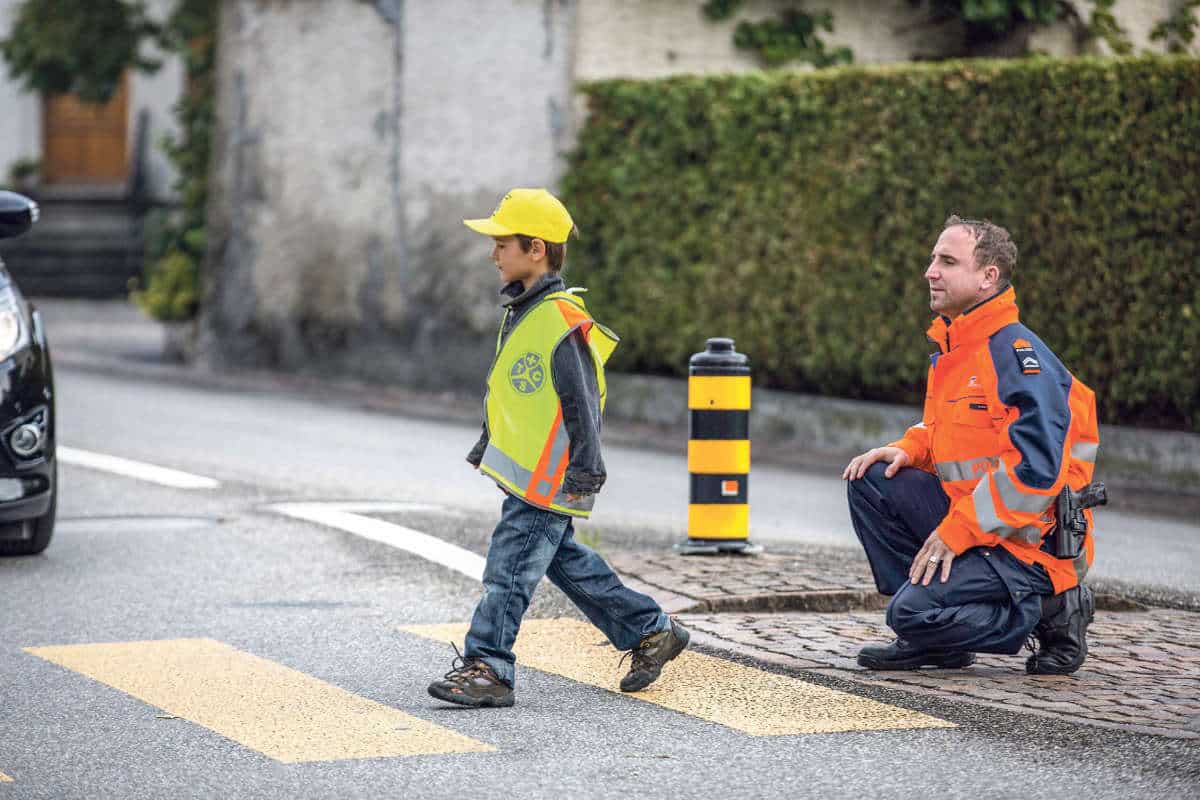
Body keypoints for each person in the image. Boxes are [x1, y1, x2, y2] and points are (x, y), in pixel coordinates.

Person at [427, 188, 689, 708]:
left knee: (507, 572)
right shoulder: (528, 312)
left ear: (536, 249)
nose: (492, 253)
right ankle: (651, 631)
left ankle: (489, 668)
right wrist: (488, 446)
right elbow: (519, 397)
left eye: (502, 243)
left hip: (551, 481)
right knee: (565, 564)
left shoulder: (559, 320)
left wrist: (587, 471)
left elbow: (582, 404)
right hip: (535, 480)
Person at [842, 215, 1101, 675]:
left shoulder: (1018, 358)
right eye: (932, 259)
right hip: (983, 526)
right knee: (873, 481)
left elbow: (1034, 475)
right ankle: (935, 639)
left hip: (1031, 548)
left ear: (988, 277)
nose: (930, 271)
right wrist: (910, 447)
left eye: (947, 261)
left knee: (908, 613)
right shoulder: (959, 346)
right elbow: (949, 429)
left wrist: (955, 532)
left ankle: (1050, 609)